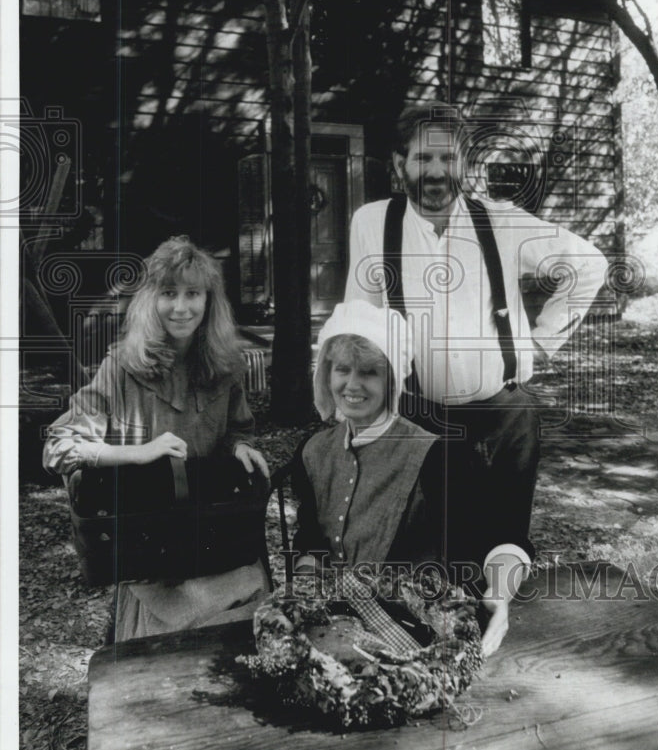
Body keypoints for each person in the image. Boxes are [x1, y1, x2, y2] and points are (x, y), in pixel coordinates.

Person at [344, 104, 609, 613]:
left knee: (501, 550)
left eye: (449, 158)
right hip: (415, 416)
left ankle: (499, 643)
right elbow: (362, 320)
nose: (437, 171)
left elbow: (590, 265)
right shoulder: (371, 223)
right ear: (399, 164)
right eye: (424, 158)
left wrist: (539, 341)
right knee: (425, 562)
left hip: (501, 417)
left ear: (466, 163)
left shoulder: (502, 221)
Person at [43, 235, 270, 641]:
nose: (181, 307)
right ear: (151, 299)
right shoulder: (123, 367)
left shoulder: (226, 365)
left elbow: (238, 428)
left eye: (192, 294)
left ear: (209, 300)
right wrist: (139, 454)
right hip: (150, 553)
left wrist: (241, 447)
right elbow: (59, 445)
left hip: (214, 542)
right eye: (169, 293)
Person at [291, 299, 528, 656]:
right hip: (333, 632)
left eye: (369, 371)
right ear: (326, 374)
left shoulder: (437, 455)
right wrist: (306, 584)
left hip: (413, 638)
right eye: (342, 369)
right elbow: (310, 541)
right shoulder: (313, 452)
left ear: (393, 380)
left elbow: (502, 537)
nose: (351, 384)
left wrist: (499, 595)